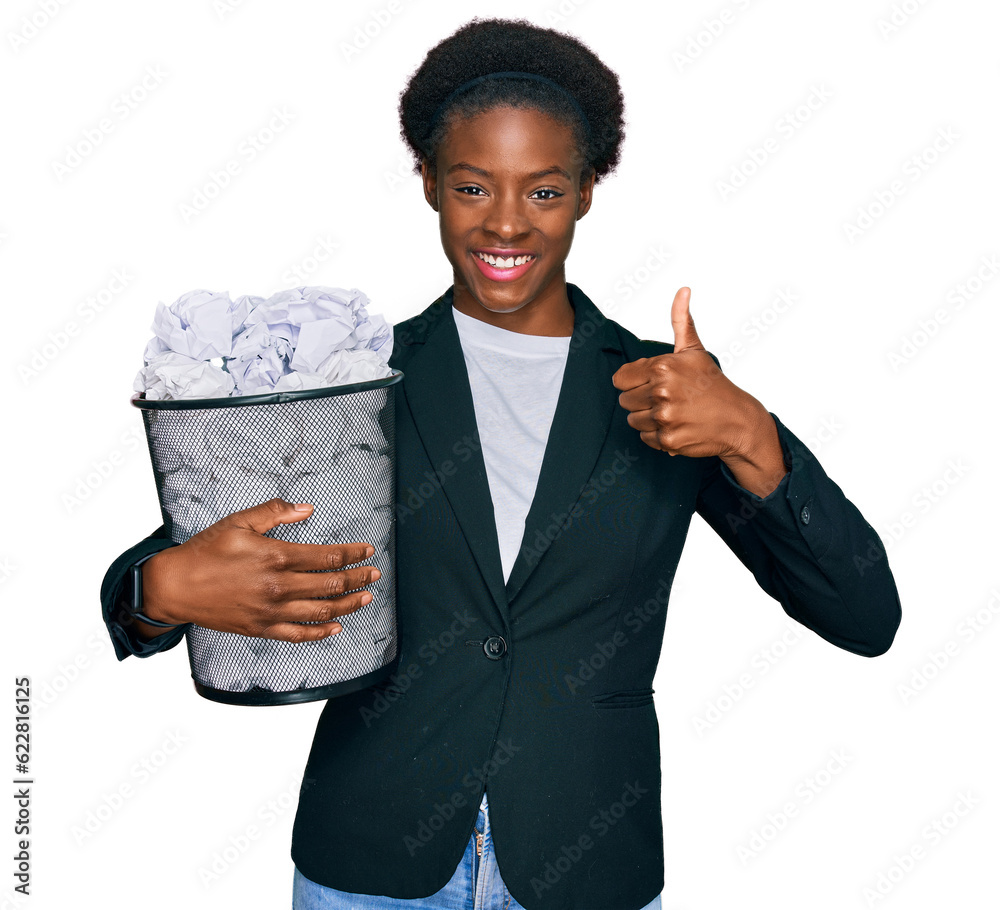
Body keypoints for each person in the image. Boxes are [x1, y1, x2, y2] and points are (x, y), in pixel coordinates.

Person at [100, 17, 902, 910]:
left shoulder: (666, 393)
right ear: (431, 184)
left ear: (589, 190)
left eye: (546, 190)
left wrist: (754, 433)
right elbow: (182, 557)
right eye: (474, 186)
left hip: (586, 861)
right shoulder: (356, 380)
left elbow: (865, 616)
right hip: (372, 864)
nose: (507, 222)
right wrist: (158, 592)